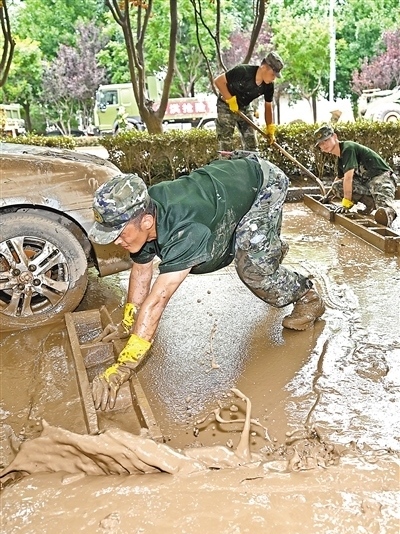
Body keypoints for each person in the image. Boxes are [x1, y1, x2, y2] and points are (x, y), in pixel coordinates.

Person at [88, 153, 325, 411]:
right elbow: (141, 272)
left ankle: (307, 297)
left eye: (119, 233)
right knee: (252, 250)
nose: (115, 242)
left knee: (253, 270)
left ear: (146, 221)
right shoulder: (146, 214)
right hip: (228, 187)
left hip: (263, 183)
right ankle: (266, 248)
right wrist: (128, 323)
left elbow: (157, 300)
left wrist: (124, 366)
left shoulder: (186, 230)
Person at [314, 125, 398, 227]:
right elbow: (339, 179)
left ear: (335, 136)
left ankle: (389, 213)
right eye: (321, 144)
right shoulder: (340, 158)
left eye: (326, 140)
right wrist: (327, 197)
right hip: (367, 182)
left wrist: (346, 204)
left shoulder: (348, 148)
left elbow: (348, 178)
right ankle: (370, 204)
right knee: (337, 186)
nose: (324, 145)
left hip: (382, 178)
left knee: (383, 210)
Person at [213, 52, 284, 152]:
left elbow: (268, 107)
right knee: (226, 142)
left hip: (244, 107)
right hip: (226, 105)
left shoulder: (268, 86)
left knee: (252, 144)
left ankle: (251, 161)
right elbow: (218, 81)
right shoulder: (242, 71)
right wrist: (230, 100)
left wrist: (270, 128)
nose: (273, 78)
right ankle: (225, 160)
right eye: (273, 74)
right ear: (264, 67)